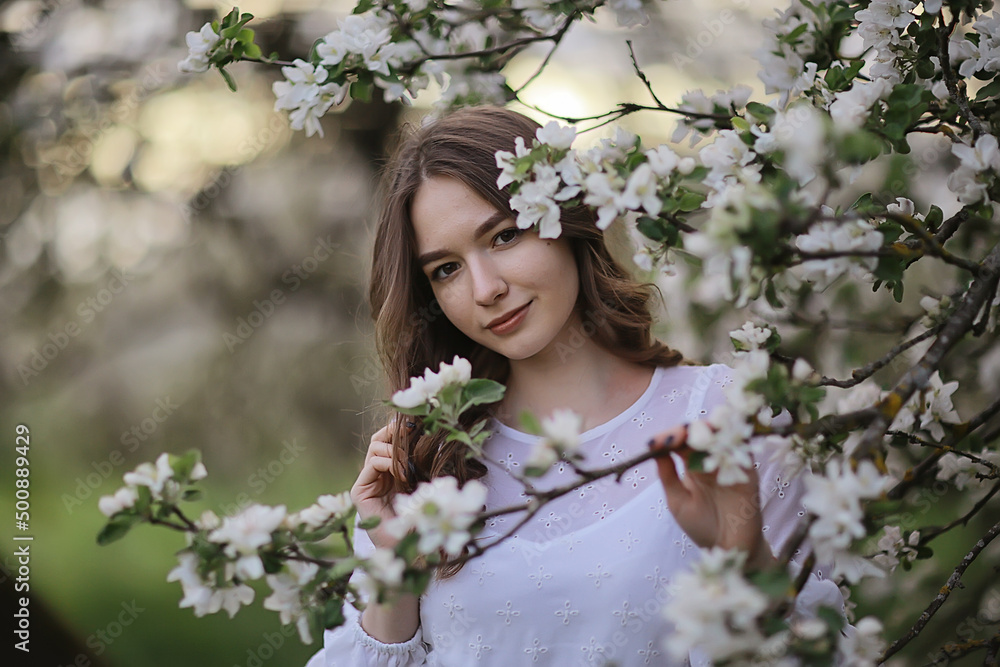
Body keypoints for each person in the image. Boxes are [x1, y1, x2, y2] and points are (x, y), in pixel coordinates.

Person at [305, 106, 843, 667]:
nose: (485, 289)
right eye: (446, 269)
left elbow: (816, 656)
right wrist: (393, 572)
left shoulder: (728, 417)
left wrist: (745, 557)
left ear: (566, 218)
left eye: (505, 235)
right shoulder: (422, 464)